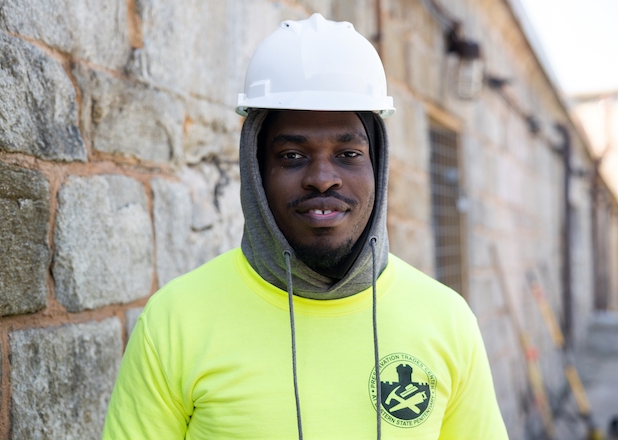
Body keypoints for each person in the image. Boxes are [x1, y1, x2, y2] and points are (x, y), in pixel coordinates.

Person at [103, 13, 508, 439]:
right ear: (256, 171)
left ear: (378, 166)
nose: (322, 178)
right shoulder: (174, 321)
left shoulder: (447, 320)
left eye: (348, 154)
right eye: (292, 156)